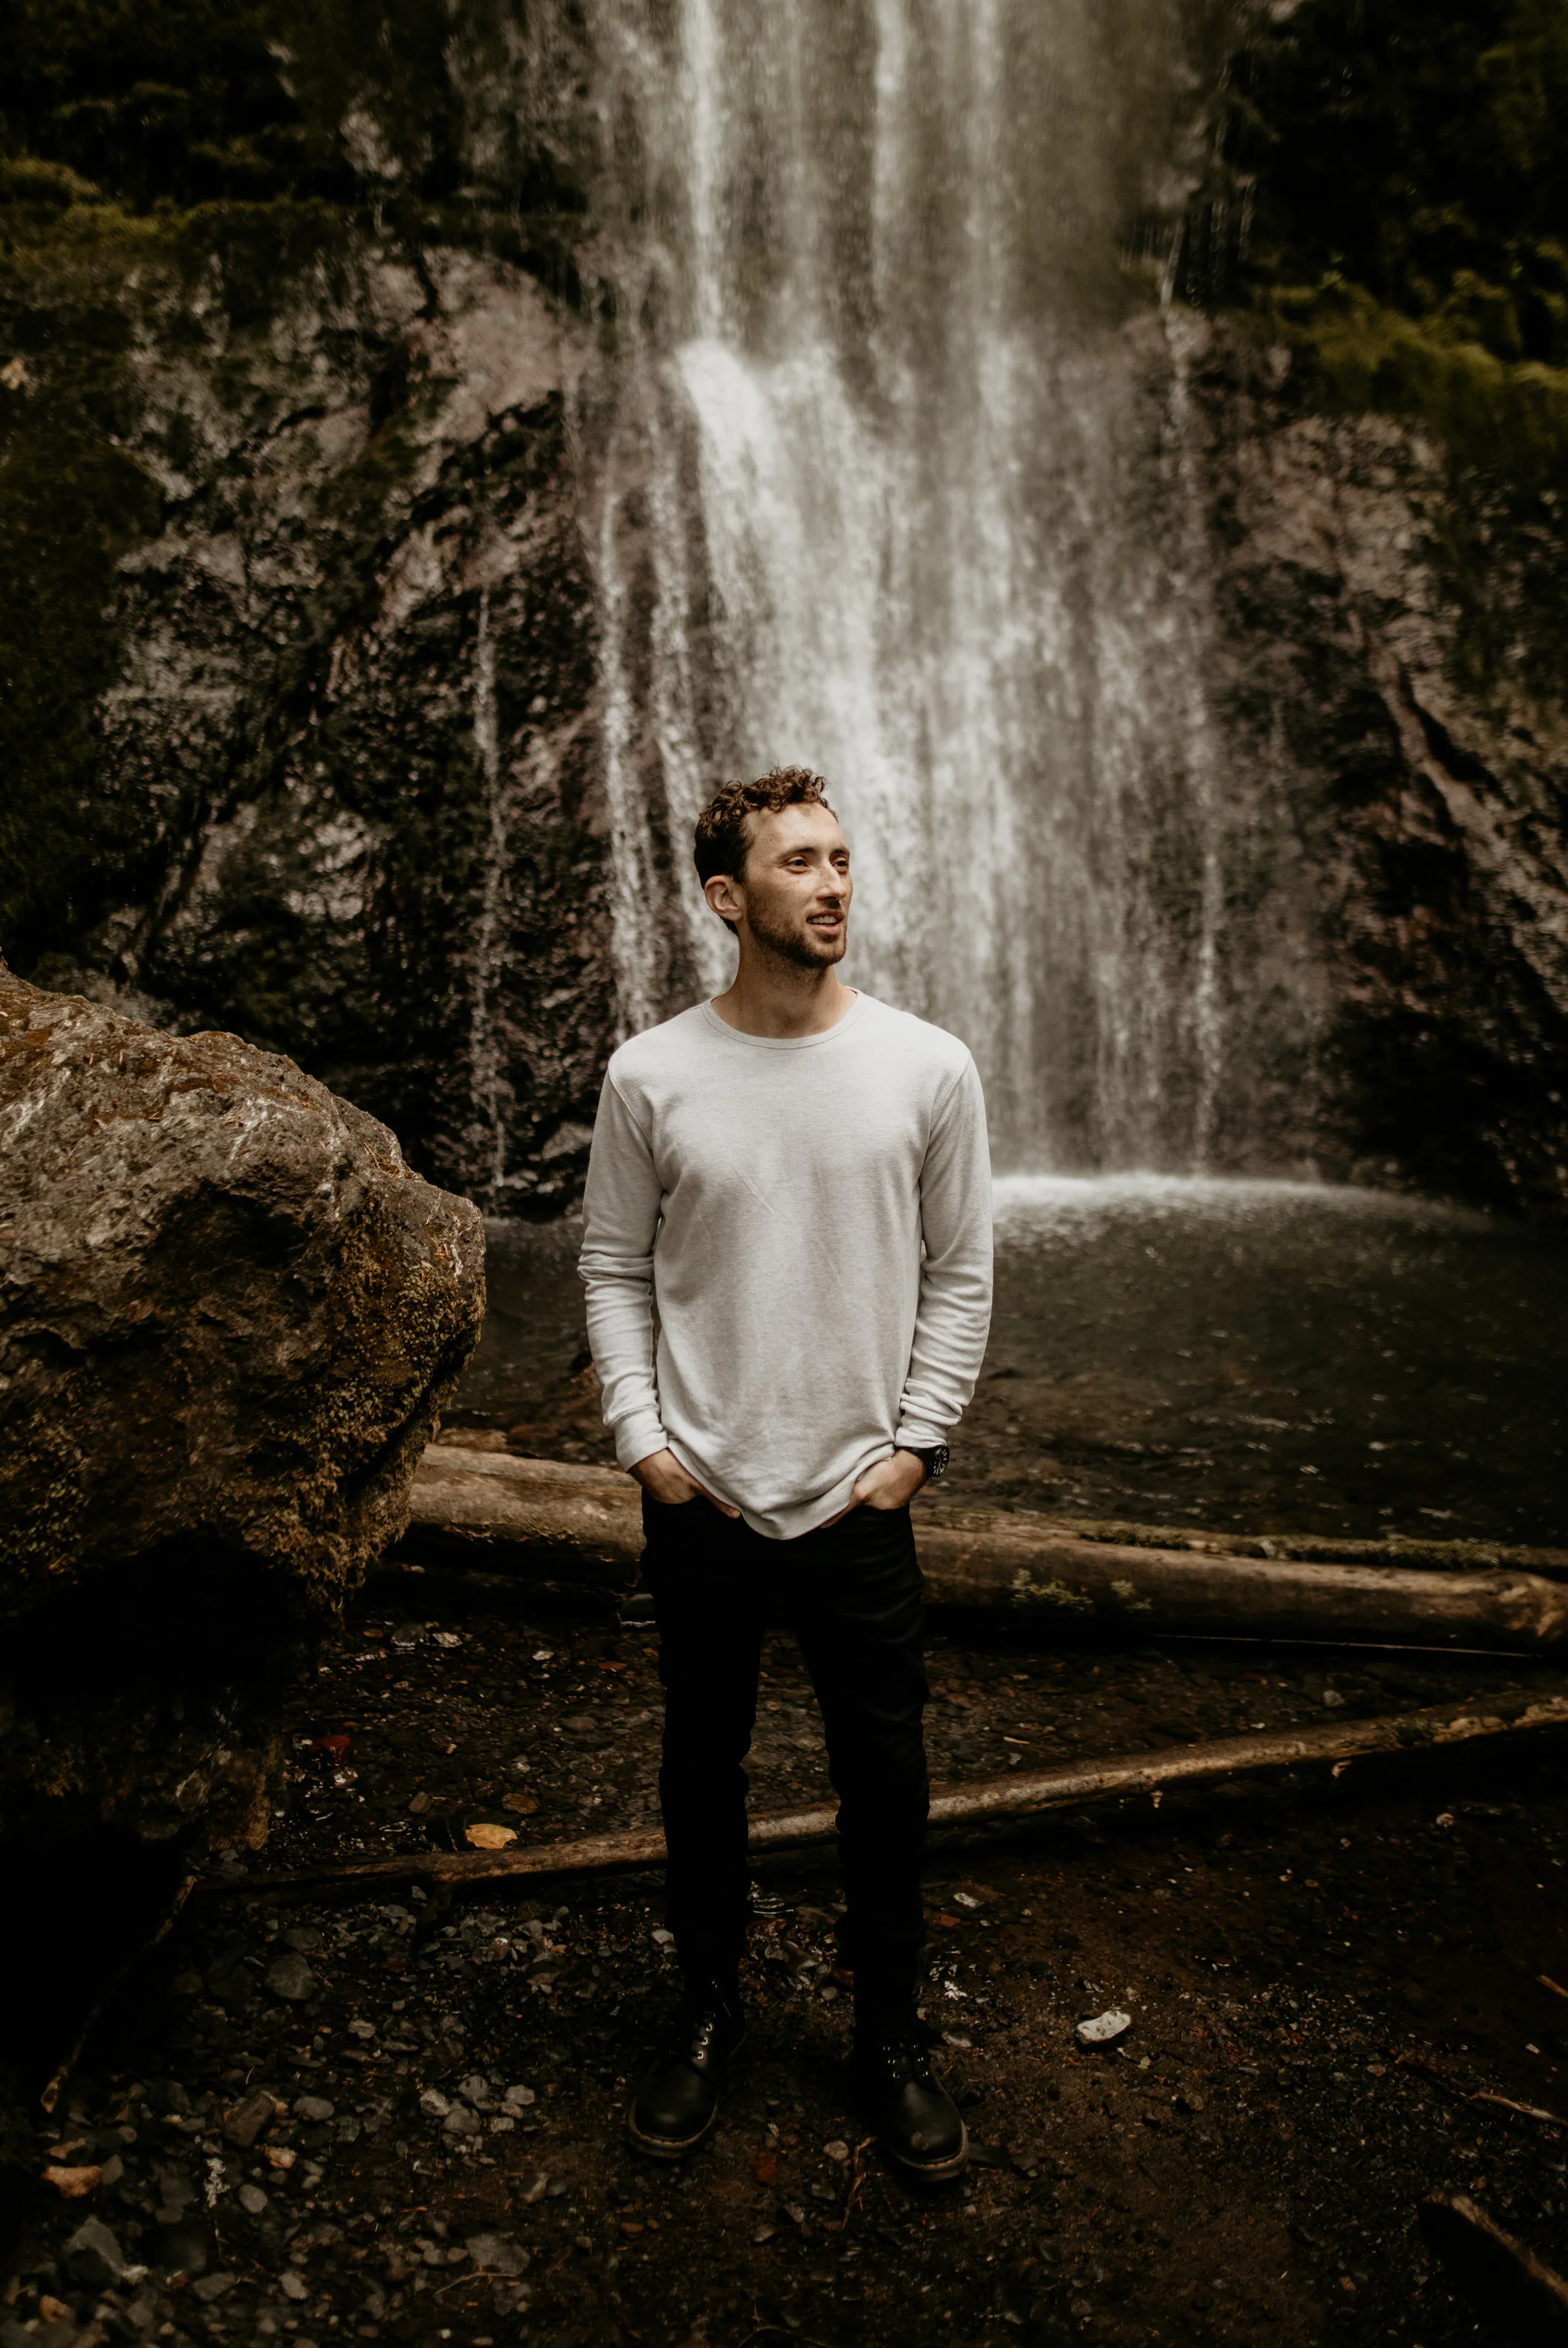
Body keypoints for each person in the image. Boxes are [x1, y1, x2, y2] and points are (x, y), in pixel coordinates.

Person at [577, 766, 993, 2180]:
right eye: (799, 861)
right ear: (724, 896)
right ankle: (705, 2010)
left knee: (888, 1779)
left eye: (841, 857)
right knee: (704, 1766)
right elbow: (611, 1263)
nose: (832, 882)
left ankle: (890, 2034)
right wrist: (642, 1436)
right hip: (704, 1492)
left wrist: (920, 1441)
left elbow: (961, 1271)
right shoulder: (650, 1075)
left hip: (857, 1499)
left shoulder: (928, 1066)